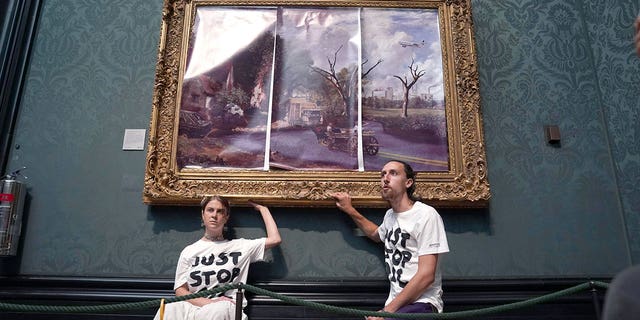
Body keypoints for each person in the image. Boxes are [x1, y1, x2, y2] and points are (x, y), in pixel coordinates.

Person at [332, 160, 449, 320]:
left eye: (393, 173)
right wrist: (350, 210)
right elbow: (375, 233)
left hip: (423, 304)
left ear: (408, 182)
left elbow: (426, 275)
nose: (385, 178)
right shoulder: (390, 216)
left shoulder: (426, 215)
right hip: (397, 306)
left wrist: (386, 312)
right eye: (383, 174)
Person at [154, 196, 282, 320]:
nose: (214, 215)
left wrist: (263, 209)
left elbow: (275, 239)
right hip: (195, 305)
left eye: (220, 211)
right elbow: (180, 290)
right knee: (170, 307)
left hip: (225, 307)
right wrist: (206, 302)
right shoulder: (189, 251)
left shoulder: (241, 247)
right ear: (203, 214)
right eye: (210, 210)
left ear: (226, 217)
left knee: (217, 310)